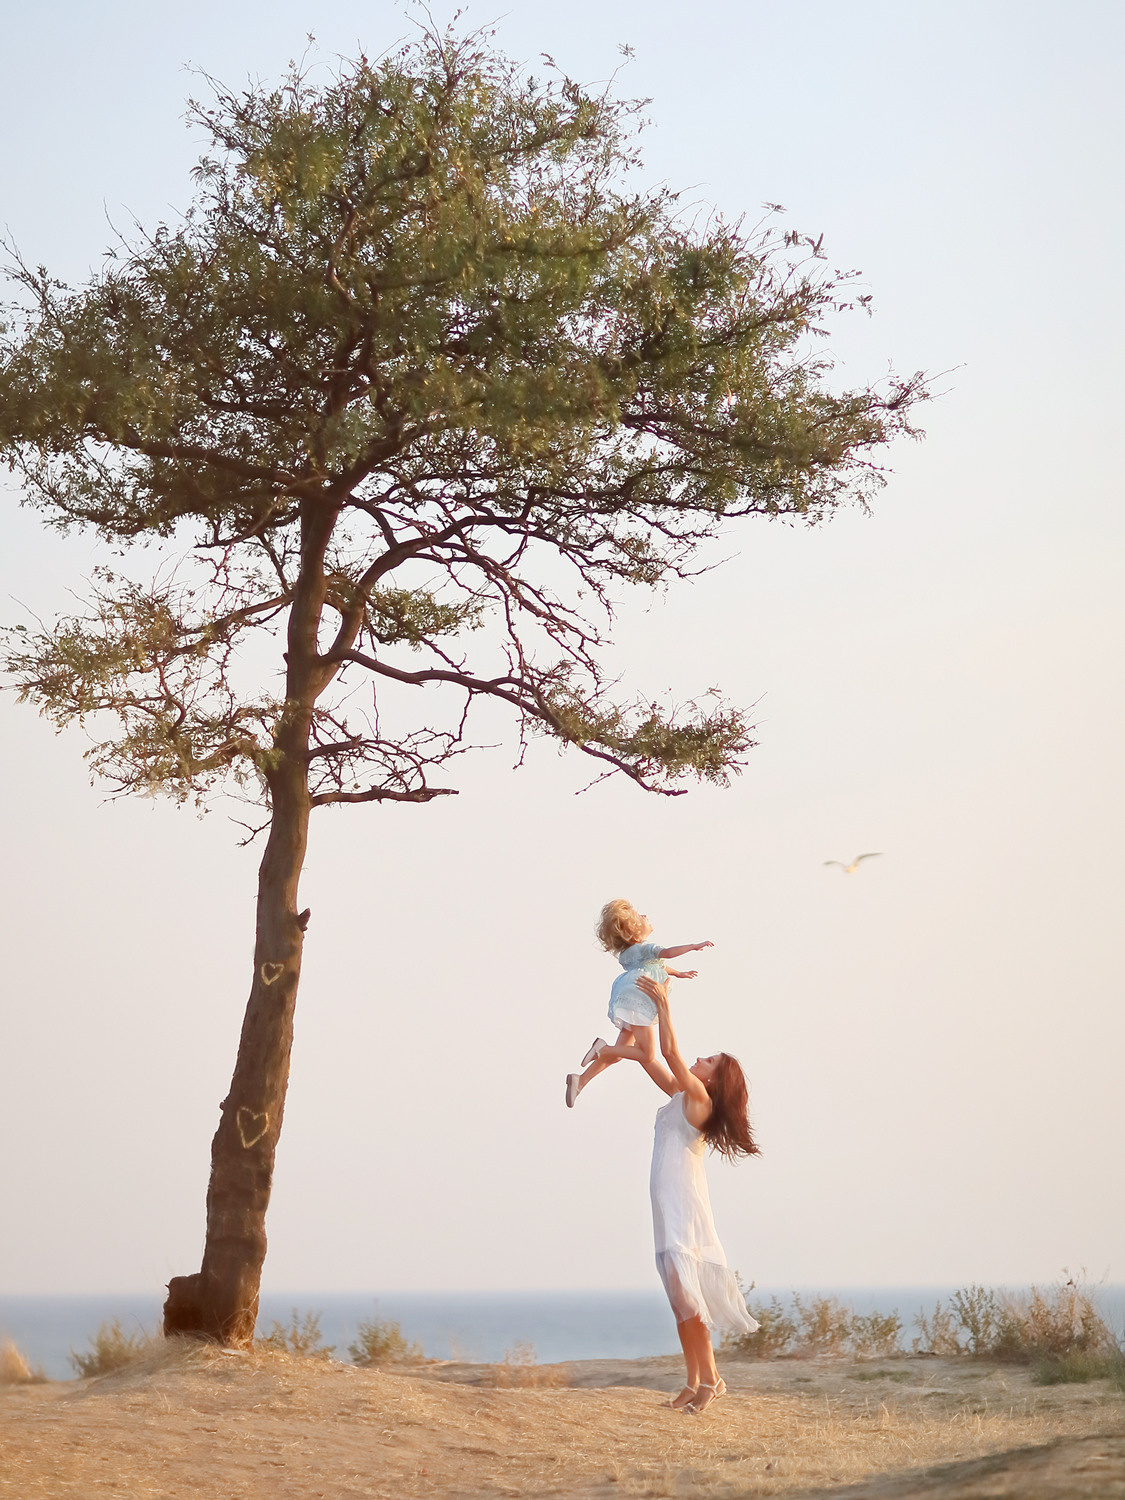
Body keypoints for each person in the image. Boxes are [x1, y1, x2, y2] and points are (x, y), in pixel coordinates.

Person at [636, 972, 760, 1412]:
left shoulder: (700, 1102)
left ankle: (711, 1381)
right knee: (678, 1303)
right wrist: (640, 1017)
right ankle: (692, 1381)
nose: (699, 1059)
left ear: (714, 1082)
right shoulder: (682, 1096)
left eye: (708, 1061)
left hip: (683, 1209)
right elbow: (652, 1059)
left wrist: (664, 1003)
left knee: (689, 1301)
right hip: (666, 1207)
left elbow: (672, 1054)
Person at [565, 899, 713, 1108]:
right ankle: (602, 1049)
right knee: (647, 1054)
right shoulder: (646, 948)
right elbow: (667, 953)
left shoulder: (629, 954)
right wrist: (693, 947)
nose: (646, 917)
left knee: (621, 1051)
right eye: (640, 917)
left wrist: (678, 973)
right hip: (640, 999)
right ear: (634, 931)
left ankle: (580, 1081)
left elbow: (659, 966)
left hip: (628, 997)